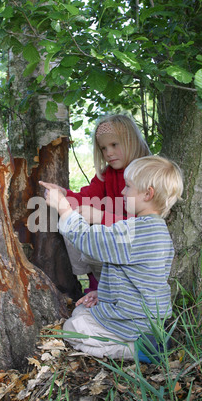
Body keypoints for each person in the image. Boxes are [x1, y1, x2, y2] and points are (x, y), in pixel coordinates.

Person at [39, 155, 183, 361]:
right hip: (145, 316)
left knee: (72, 329)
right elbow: (140, 279)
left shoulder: (133, 231)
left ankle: (140, 350)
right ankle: (149, 339)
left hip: (131, 321)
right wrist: (104, 292)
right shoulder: (158, 231)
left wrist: (64, 208)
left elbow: (89, 240)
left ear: (147, 194)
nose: (123, 192)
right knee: (80, 312)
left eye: (128, 187)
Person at [47, 114, 150, 292]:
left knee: (92, 230)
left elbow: (142, 226)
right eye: (103, 148)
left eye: (114, 145)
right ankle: (94, 281)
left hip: (135, 246)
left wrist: (101, 217)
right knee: (71, 221)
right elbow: (86, 197)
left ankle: (105, 286)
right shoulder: (107, 174)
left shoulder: (145, 173)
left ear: (131, 141)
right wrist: (64, 194)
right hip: (112, 235)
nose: (108, 153)